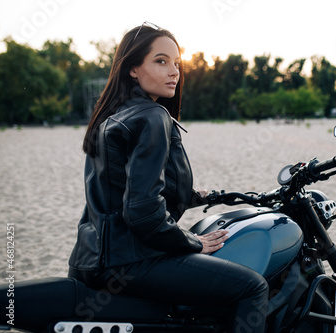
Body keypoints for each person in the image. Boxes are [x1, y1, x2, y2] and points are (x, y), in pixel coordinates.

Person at [68, 22, 268, 332]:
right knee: (252, 287)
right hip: (128, 262)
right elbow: (142, 212)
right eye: (161, 61)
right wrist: (192, 242)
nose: (174, 71)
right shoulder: (152, 116)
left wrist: (199, 196)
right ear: (133, 68)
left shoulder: (110, 116)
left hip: (90, 259)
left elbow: (120, 191)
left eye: (176, 63)